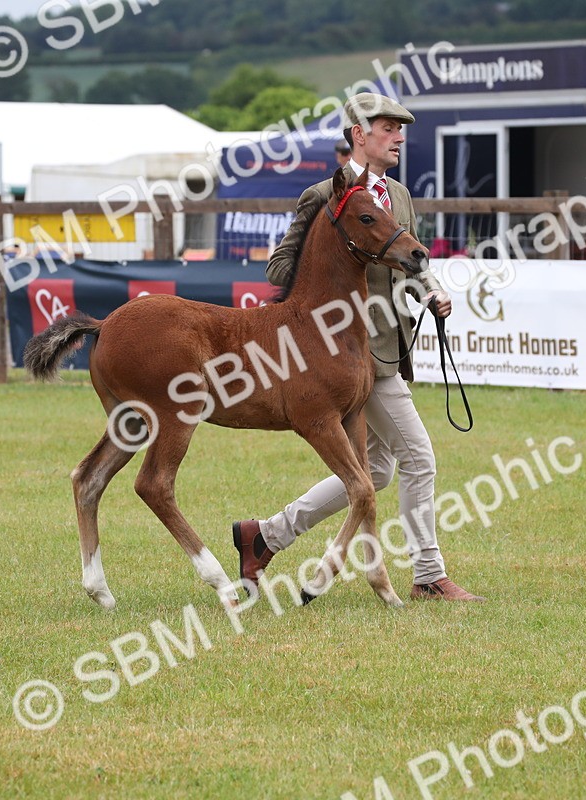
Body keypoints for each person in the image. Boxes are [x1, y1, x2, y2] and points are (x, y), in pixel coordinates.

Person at [232, 92, 485, 602]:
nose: (399, 137)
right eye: (388, 128)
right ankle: (429, 576)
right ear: (358, 135)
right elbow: (281, 269)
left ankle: (264, 535)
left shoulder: (400, 195)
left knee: (378, 470)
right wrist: (333, 260)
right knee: (418, 459)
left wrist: (430, 291)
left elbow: (410, 261)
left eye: (400, 128)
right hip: (340, 355)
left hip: (388, 348)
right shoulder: (322, 195)